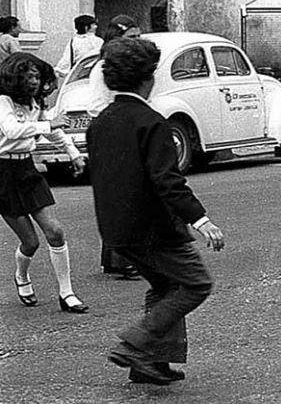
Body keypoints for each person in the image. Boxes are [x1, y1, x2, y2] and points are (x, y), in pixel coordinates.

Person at [87, 37, 225, 385]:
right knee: (196, 284)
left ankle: (151, 363)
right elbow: (168, 181)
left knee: (164, 287)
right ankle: (136, 343)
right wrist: (201, 219)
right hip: (154, 227)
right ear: (148, 79)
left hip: (117, 229)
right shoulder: (151, 121)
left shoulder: (100, 122)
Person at [1, 53, 88, 313]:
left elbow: (56, 132)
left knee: (55, 231)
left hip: (27, 168)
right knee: (30, 243)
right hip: (3, 172)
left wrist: (74, 154)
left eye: (37, 76)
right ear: (14, 79)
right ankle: (22, 276)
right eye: (28, 76)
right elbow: (12, 130)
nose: (34, 82)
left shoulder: (36, 103)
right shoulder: (3, 101)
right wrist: (47, 124)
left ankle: (67, 293)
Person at [88, 14, 143, 279]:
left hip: (123, 128)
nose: (137, 42)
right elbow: (97, 104)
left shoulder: (127, 66)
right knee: (122, 195)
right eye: (131, 38)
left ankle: (115, 258)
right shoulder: (104, 67)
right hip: (112, 132)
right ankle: (123, 259)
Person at [55, 15, 103, 79]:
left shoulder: (73, 41)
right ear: (86, 27)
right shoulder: (98, 41)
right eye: (93, 25)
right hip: (94, 76)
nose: (96, 27)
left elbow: (66, 61)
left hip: (78, 76)